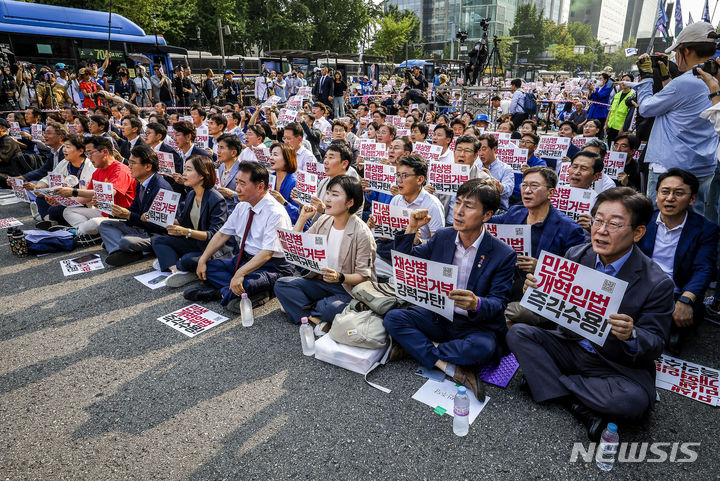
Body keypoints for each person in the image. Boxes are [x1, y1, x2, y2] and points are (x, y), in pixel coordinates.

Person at [507, 187, 675, 441]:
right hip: (570, 344)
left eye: (614, 224)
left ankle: (550, 384)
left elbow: (655, 344)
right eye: (598, 220)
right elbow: (554, 314)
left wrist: (632, 334)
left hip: (612, 363)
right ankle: (578, 404)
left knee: (632, 402)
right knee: (519, 333)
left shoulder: (657, 283)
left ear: (638, 232)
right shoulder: (577, 254)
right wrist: (538, 293)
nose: (601, 230)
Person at [383, 179, 516, 400]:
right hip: (439, 317)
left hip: (473, 325)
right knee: (394, 318)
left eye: (469, 206)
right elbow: (406, 262)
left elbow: (499, 302)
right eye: (457, 203)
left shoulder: (503, 254)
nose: (459, 211)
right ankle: (449, 366)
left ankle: (416, 348)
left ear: (486, 215)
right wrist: (412, 228)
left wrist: (476, 303)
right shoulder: (443, 236)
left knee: (483, 348)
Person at [634, 22, 719, 213]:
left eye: (677, 51)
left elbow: (646, 108)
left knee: (659, 225)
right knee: (695, 226)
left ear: (686, 50)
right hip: (704, 166)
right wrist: (667, 79)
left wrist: (647, 77)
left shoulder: (685, 82)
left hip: (670, 169)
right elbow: (684, 104)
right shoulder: (711, 79)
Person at [189, 161, 294, 311]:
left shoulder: (275, 213)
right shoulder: (243, 205)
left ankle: (226, 291)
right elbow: (222, 234)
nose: (237, 189)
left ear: (260, 187)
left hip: (272, 266)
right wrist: (203, 259)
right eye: (237, 182)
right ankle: (232, 291)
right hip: (244, 259)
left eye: (242, 184)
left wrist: (240, 273)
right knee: (207, 266)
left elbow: (267, 253)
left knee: (247, 283)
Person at [275, 175, 375, 328]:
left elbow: (363, 276)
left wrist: (339, 277)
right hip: (320, 281)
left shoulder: (362, 233)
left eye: (335, 195)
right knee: (282, 285)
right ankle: (315, 319)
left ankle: (302, 309)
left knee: (331, 308)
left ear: (350, 202)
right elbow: (296, 249)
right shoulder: (324, 220)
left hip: (346, 288)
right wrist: (302, 219)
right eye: (328, 193)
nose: (327, 199)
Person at [636, 169, 718, 353]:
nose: (670, 198)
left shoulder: (705, 229)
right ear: (656, 195)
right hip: (641, 286)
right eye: (664, 192)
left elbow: (704, 268)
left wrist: (686, 299)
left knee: (684, 318)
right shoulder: (643, 221)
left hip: (676, 292)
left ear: (692, 199)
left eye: (678, 193)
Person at [493, 166, 586, 314]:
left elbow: (577, 275)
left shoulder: (570, 229)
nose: (527, 190)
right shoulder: (515, 212)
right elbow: (488, 221)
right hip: (506, 283)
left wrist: (541, 268)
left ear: (551, 192)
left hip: (540, 295)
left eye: (534, 186)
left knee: (509, 313)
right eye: (524, 185)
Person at [151, 155, 227, 286]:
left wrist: (186, 232)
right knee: (158, 240)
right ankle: (176, 270)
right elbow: (182, 221)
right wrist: (157, 216)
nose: (184, 174)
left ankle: (174, 263)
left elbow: (214, 235)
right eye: (184, 169)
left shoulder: (216, 199)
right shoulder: (191, 194)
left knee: (187, 259)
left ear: (202, 174)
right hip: (195, 242)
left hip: (213, 249)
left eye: (188, 170)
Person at [369, 155, 445, 280]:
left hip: (417, 258)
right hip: (393, 252)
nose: (399, 180)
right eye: (398, 175)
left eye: (405, 176)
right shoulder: (396, 200)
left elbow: (438, 245)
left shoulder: (433, 205)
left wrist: (418, 242)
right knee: (367, 262)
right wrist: (377, 227)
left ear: (420, 179)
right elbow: (387, 236)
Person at [98, 144, 174, 266]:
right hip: (140, 228)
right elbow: (134, 209)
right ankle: (120, 252)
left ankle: (124, 248)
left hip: (156, 234)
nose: (129, 166)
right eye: (129, 162)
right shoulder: (141, 182)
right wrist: (112, 209)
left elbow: (159, 226)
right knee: (105, 225)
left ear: (148, 166)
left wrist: (129, 215)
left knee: (125, 241)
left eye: (133, 163)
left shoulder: (162, 188)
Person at [55, 136, 135, 242]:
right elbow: (86, 198)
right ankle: (86, 232)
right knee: (68, 211)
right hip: (103, 212)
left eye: (90, 153)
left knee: (94, 223)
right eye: (87, 154)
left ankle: (79, 233)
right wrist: (60, 200)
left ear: (105, 152)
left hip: (121, 216)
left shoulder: (120, 170)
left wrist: (73, 192)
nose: (88, 157)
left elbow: (110, 192)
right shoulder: (98, 171)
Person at [24, 134, 94, 229]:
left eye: (68, 147)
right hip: (64, 199)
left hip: (83, 203)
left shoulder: (90, 166)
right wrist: (40, 186)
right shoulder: (65, 163)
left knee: (55, 209)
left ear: (81, 150)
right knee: (41, 199)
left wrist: (61, 200)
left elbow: (89, 196)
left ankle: (53, 222)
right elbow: (49, 178)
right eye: (64, 146)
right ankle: (50, 221)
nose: (64, 150)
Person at [477, 133, 515, 212]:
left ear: (494, 149)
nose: (480, 153)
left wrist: (491, 179)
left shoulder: (506, 169)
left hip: (499, 209)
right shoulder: (476, 167)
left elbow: (508, 191)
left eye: (484, 149)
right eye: (479, 150)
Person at [267, 142, 301, 224]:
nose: (271, 158)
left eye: (275, 155)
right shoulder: (269, 178)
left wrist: (283, 202)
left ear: (287, 159)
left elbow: (299, 215)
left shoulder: (295, 183)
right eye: (271, 154)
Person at [510, 133, 546, 205]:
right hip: (509, 194)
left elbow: (543, 179)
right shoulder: (510, 158)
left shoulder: (540, 163)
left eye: (528, 142)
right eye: (522, 141)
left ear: (535, 147)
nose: (523, 144)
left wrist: (530, 171)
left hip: (526, 196)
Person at [215, 133, 243, 212]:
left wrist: (232, 194)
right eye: (218, 147)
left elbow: (250, 197)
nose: (218, 151)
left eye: (222, 148)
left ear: (233, 153)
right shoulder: (219, 167)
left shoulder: (243, 170)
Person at [605, 74, 634, 143]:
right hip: (611, 126)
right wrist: (606, 124)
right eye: (623, 80)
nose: (624, 82)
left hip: (621, 129)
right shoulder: (617, 95)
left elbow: (629, 115)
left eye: (627, 81)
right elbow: (611, 110)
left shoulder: (633, 96)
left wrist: (623, 129)